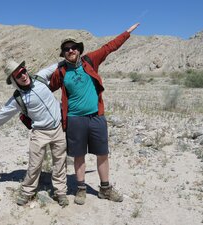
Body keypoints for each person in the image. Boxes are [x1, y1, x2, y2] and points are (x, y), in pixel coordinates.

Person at [49, 23, 140, 205]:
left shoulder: (90, 61)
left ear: (79, 50)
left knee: (102, 153)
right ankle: (81, 189)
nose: (70, 50)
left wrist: (126, 33)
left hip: (96, 116)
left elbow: (109, 48)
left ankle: (105, 189)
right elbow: (49, 88)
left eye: (73, 47)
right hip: (74, 119)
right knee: (79, 155)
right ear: (63, 53)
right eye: (66, 49)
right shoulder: (61, 71)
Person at [0, 60, 69, 207]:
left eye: (23, 71)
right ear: (14, 80)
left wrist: (70, 55)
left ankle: (60, 193)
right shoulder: (17, 99)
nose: (23, 76)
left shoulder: (40, 77)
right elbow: (0, 117)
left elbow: (57, 66)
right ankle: (27, 192)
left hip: (58, 129)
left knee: (60, 163)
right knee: (34, 165)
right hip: (39, 133)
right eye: (18, 75)